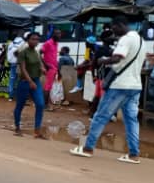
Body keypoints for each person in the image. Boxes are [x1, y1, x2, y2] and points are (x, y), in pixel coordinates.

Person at [71, 16, 144, 163]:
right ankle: (133, 154)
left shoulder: (126, 39)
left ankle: (87, 148)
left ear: (120, 25)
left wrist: (102, 61)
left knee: (101, 116)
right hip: (135, 86)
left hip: (120, 85)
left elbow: (117, 58)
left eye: (114, 27)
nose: (113, 31)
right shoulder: (140, 40)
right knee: (131, 120)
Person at [14, 32, 47, 138]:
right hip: (25, 81)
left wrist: (42, 69)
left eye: (37, 39)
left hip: (36, 80)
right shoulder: (23, 53)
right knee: (20, 104)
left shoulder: (36, 52)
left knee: (40, 104)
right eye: (33, 39)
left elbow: (39, 63)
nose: (35, 41)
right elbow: (23, 69)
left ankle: (37, 130)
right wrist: (30, 82)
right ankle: (17, 127)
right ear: (28, 40)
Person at [42, 28, 61, 109]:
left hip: (54, 68)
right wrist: (45, 64)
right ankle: (45, 105)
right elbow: (39, 53)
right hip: (50, 68)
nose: (59, 35)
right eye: (57, 34)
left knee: (49, 86)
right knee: (47, 86)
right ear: (53, 34)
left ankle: (47, 103)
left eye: (60, 34)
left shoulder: (56, 43)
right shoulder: (48, 43)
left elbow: (54, 57)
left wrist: (58, 70)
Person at [6, 31, 23, 100]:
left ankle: (10, 96)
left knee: (12, 79)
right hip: (19, 64)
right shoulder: (23, 43)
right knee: (19, 79)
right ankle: (17, 95)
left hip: (12, 63)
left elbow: (8, 54)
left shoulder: (11, 43)